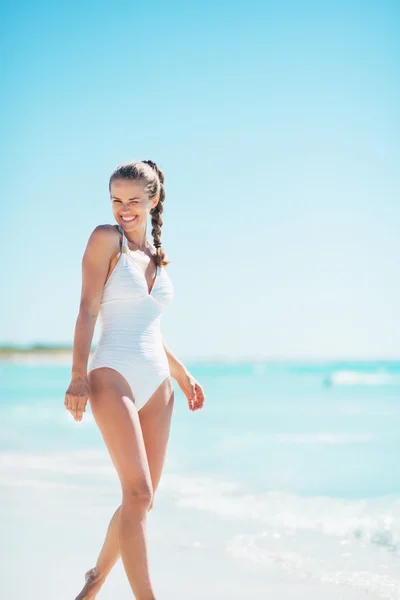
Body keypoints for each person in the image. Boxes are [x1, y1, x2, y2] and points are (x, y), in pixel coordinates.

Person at [64, 160, 205, 599]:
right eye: (116, 200)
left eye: (134, 201)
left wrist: (181, 375)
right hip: (112, 372)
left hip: (158, 381)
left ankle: (95, 580)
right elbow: (88, 309)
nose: (124, 209)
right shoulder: (107, 240)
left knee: (141, 499)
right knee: (138, 490)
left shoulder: (158, 256)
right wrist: (77, 376)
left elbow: (151, 327)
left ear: (153, 200)